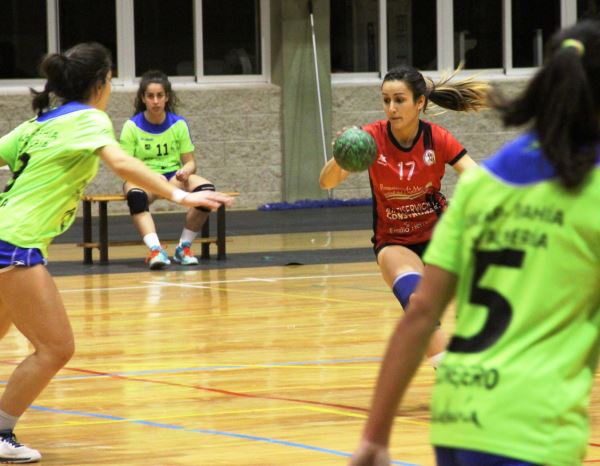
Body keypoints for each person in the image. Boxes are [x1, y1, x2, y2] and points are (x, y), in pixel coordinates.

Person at [349, 19, 600, 466]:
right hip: (532, 421)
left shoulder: (489, 186)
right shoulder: (586, 189)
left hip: (459, 413)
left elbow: (421, 314)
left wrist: (375, 434)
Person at [0, 42, 234, 463]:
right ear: (101, 83)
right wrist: (180, 195)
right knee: (56, 348)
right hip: (16, 242)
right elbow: (123, 164)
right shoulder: (91, 119)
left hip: (5, 233)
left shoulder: (39, 123)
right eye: (111, 79)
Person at [320, 65, 489, 367]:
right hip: (395, 242)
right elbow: (327, 182)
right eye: (386, 100)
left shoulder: (437, 138)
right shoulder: (371, 139)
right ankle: (450, 373)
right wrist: (340, 157)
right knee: (416, 304)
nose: (391, 108)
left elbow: (476, 179)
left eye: (399, 100)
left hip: (441, 237)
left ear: (419, 102)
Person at [120, 70, 214, 269]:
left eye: (159, 96)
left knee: (207, 191)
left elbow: (190, 162)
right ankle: (156, 250)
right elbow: (125, 166)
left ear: (167, 97)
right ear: (143, 98)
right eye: (150, 96)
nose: (155, 101)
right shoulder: (131, 126)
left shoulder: (178, 124)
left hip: (173, 177)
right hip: (143, 178)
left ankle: (184, 248)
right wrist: (148, 175)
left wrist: (186, 171)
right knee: (136, 197)